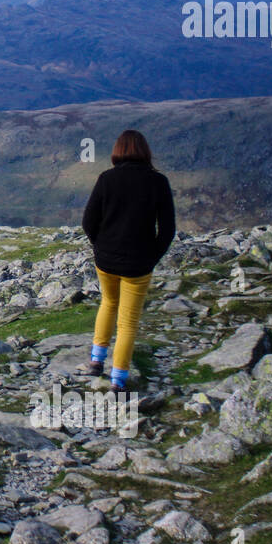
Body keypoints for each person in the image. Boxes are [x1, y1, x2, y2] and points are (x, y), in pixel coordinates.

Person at [80, 130, 175, 392]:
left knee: (108, 303)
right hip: (139, 264)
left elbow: (89, 221)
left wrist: (100, 245)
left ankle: (96, 361)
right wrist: (151, 257)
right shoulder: (158, 182)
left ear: (118, 151)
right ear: (145, 151)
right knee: (129, 321)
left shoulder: (106, 179)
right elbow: (167, 230)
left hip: (106, 261)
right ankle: (118, 381)